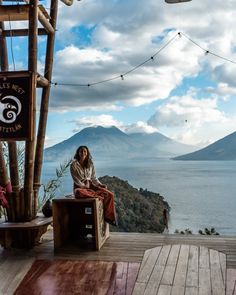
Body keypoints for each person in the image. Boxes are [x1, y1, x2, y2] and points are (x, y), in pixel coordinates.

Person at [70, 146, 117, 226]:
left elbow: (94, 178)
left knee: (110, 194)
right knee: (78, 192)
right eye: (81, 151)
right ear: (78, 153)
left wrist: (100, 184)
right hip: (80, 186)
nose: (83, 153)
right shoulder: (73, 165)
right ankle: (98, 196)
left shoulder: (90, 163)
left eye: (85, 151)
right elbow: (76, 180)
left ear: (87, 153)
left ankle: (109, 217)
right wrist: (84, 186)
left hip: (91, 186)